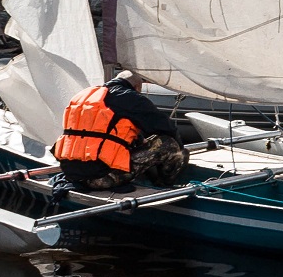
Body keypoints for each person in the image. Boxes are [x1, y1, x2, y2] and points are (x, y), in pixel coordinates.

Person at [53, 71, 187, 192]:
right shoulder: (131, 97)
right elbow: (166, 128)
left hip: (71, 174)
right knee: (169, 144)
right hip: (102, 178)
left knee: (131, 141)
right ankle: (164, 185)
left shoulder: (84, 95)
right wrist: (181, 152)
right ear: (137, 88)